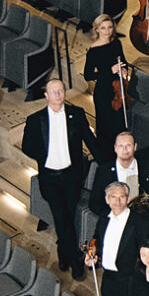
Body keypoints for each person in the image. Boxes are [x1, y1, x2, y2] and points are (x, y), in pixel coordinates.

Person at [21, 78, 95, 274]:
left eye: (61, 90)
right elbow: (26, 146)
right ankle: (75, 261)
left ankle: (63, 253)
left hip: (71, 176)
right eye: (53, 91)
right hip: (50, 179)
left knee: (67, 217)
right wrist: (45, 157)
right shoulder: (35, 119)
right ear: (46, 95)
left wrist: (108, 161)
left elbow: (90, 140)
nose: (58, 95)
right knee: (61, 218)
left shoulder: (76, 114)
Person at [89, 181, 149, 296]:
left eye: (122, 197)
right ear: (107, 199)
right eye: (113, 197)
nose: (117, 201)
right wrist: (94, 254)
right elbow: (97, 238)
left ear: (127, 199)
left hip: (130, 280)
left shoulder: (142, 223)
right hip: (108, 278)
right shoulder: (103, 218)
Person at [83, 14, 134, 158]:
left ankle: (122, 153)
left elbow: (124, 62)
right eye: (103, 28)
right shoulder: (93, 50)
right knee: (106, 127)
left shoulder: (116, 43)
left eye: (110, 27)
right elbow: (88, 75)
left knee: (119, 123)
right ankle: (107, 157)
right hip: (104, 93)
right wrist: (110, 71)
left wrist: (124, 70)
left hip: (118, 89)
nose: (107, 31)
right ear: (97, 29)